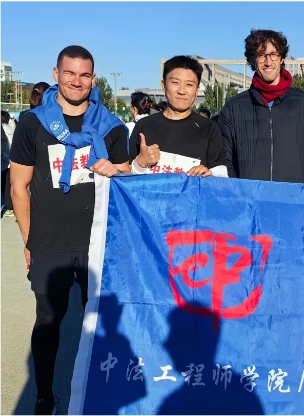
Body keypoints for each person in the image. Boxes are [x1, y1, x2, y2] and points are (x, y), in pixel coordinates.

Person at [9, 45, 130, 415]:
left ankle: (98, 395)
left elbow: (127, 177)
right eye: (69, 73)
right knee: (48, 321)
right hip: (50, 241)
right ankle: (45, 395)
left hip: (98, 243)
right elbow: (18, 187)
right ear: (56, 74)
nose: (77, 81)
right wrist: (29, 240)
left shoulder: (111, 125)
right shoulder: (33, 123)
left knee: (103, 326)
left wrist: (117, 169)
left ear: (93, 79)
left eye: (85, 75)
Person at [218, 29, 304, 184]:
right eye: (261, 55)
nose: (268, 62)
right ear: (253, 60)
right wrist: (239, 192)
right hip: (249, 198)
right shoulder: (233, 108)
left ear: (281, 58)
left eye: (274, 54)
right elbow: (226, 161)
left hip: (294, 197)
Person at [129, 55, 227, 178]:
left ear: (197, 90)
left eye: (189, 85)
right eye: (175, 82)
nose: (181, 91)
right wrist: (140, 164)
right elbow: (125, 177)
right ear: (163, 85)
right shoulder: (143, 126)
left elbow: (221, 176)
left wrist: (209, 174)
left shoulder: (209, 128)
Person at [1, 111, 15, 216]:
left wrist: (7, 159)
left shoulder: (2, 131)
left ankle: (8, 207)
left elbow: (3, 149)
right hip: (13, 162)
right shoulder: (13, 129)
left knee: (5, 187)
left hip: (4, 164)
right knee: (11, 185)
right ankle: (12, 205)